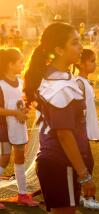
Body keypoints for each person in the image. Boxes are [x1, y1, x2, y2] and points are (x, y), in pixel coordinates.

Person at [23, 22, 96, 213]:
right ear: (59, 50)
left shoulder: (52, 76)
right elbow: (64, 134)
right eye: (74, 43)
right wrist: (84, 174)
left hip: (54, 162)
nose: (81, 47)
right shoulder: (61, 86)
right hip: (61, 163)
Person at [0, 48, 39, 209]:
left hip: (18, 127)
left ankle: (22, 195)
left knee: (20, 158)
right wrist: (15, 113)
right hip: (4, 127)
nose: (23, 64)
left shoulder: (22, 83)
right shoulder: (1, 84)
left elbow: (23, 103)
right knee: (4, 158)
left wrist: (24, 111)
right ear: (10, 64)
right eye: (20, 62)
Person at [75, 49, 99, 211]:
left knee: (86, 163)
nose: (95, 63)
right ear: (80, 63)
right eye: (92, 61)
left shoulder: (84, 82)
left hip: (84, 132)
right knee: (87, 164)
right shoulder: (79, 83)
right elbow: (77, 110)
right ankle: (88, 198)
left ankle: (80, 195)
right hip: (80, 132)